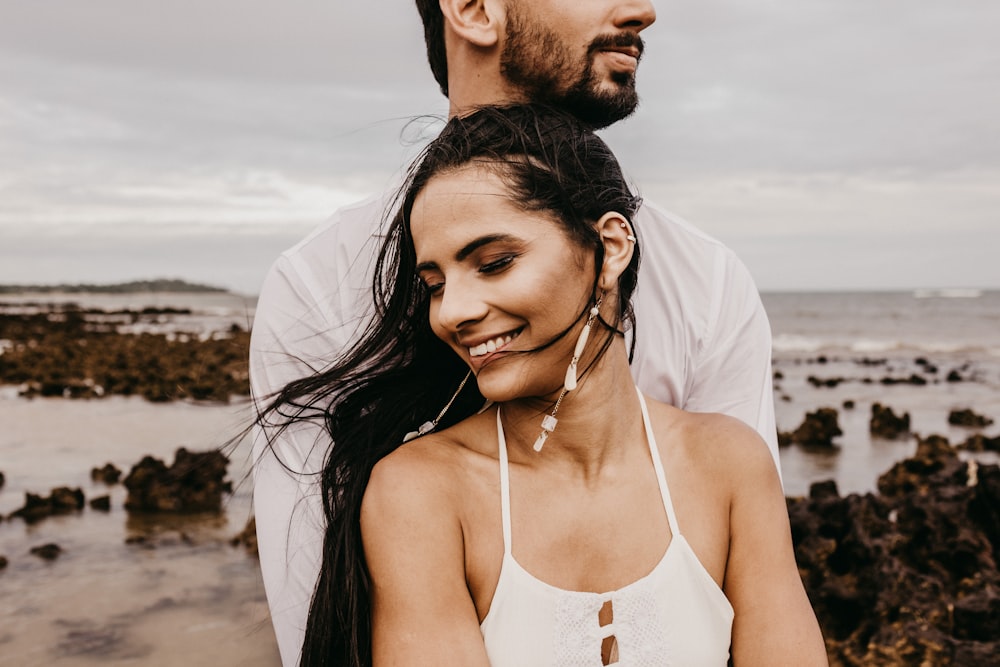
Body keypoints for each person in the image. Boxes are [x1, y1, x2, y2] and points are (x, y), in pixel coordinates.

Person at [250, 1, 778, 665]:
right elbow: (316, 625)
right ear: (473, 9)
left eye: (496, 262)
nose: (643, 10)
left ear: (611, 246)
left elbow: (741, 600)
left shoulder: (709, 282)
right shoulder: (318, 286)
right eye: (435, 282)